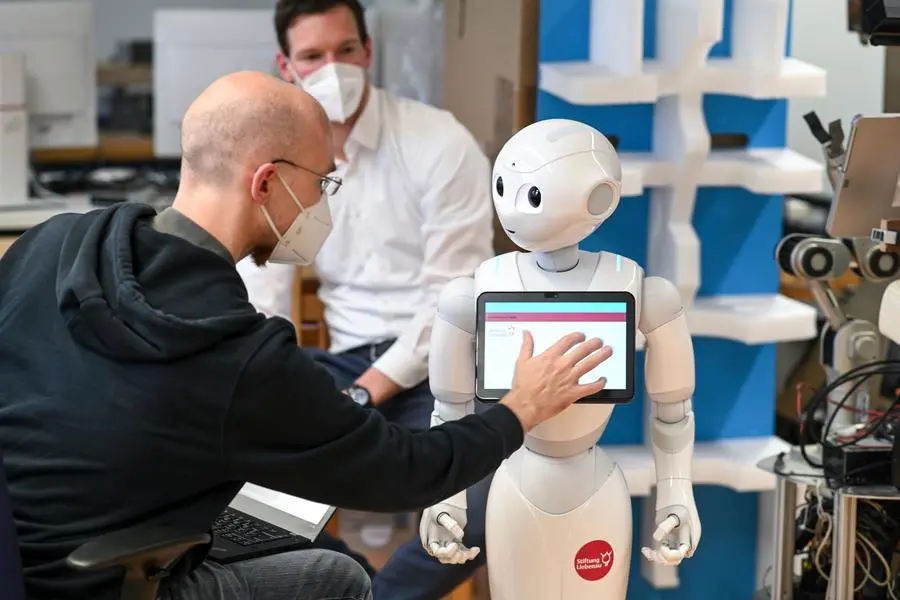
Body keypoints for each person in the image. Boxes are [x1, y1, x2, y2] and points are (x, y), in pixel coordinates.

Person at [0, 71, 613, 600]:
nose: (323, 205)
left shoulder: (50, 242)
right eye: (322, 184)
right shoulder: (235, 351)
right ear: (265, 183)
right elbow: (410, 471)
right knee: (339, 576)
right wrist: (519, 407)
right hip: (108, 581)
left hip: (22, 553)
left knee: (291, 517)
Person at [235, 1, 497, 596]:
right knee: (249, 495)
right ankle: (346, 581)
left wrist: (364, 393)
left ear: (368, 50)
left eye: (345, 49)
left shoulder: (439, 141)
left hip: (442, 362)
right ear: (286, 66)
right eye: (312, 55)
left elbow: (454, 297)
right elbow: (266, 292)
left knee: (491, 490)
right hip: (343, 358)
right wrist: (278, 385)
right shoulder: (281, 161)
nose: (334, 67)